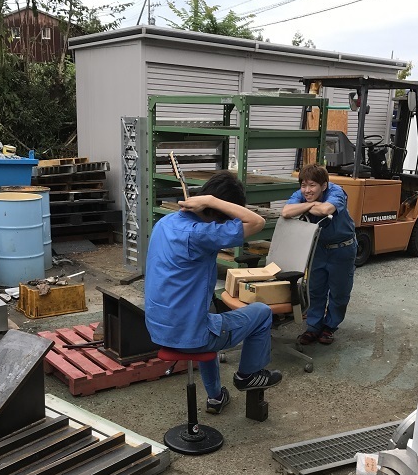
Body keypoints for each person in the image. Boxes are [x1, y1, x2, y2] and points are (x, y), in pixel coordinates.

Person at [145, 171, 282, 415]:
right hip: (190, 336)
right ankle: (248, 375)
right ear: (220, 213)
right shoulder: (202, 233)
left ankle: (216, 397)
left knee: (211, 318)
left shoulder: (165, 223)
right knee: (261, 312)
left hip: (158, 328)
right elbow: (257, 222)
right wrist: (212, 201)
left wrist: (208, 199)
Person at [282, 164, 356, 345]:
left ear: (324, 186)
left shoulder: (337, 192)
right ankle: (313, 327)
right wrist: (312, 204)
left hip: (342, 249)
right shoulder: (303, 195)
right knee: (315, 289)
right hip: (318, 249)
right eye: (303, 185)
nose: (307, 190)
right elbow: (286, 212)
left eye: (312, 185)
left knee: (339, 292)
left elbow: (326, 210)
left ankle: (330, 326)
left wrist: (304, 207)